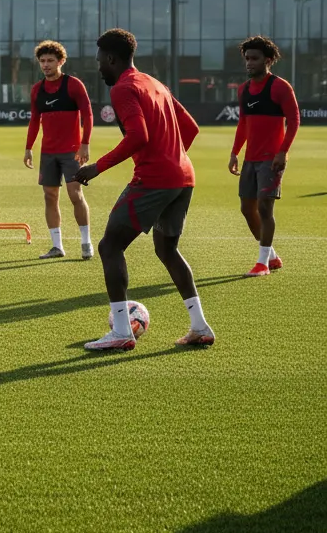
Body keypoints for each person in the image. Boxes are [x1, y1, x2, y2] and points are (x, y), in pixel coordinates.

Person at [73, 28, 214, 350]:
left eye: (99, 61)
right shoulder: (154, 82)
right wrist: (172, 157)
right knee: (167, 250)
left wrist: (97, 167)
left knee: (110, 247)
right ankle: (199, 326)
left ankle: (121, 331)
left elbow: (138, 137)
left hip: (155, 179)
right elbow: (190, 127)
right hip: (182, 176)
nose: (98, 68)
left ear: (111, 58)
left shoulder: (123, 88)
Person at [228, 36, 300, 277]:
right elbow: (243, 124)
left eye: (255, 59)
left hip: (272, 160)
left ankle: (262, 263)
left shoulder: (280, 87)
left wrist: (283, 151)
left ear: (268, 60)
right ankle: (272, 256)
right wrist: (235, 152)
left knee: (265, 209)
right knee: (247, 209)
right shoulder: (243, 90)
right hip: (251, 159)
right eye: (247, 58)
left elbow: (294, 120)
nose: (249, 63)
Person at [23, 40, 94, 260]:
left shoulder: (73, 85)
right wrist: (28, 148)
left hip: (71, 151)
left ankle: (86, 243)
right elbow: (35, 120)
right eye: (42, 61)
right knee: (50, 196)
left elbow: (88, 115)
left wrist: (85, 144)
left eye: (50, 61)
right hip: (48, 153)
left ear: (61, 61)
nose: (45, 65)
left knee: (75, 194)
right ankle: (57, 246)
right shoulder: (37, 89)